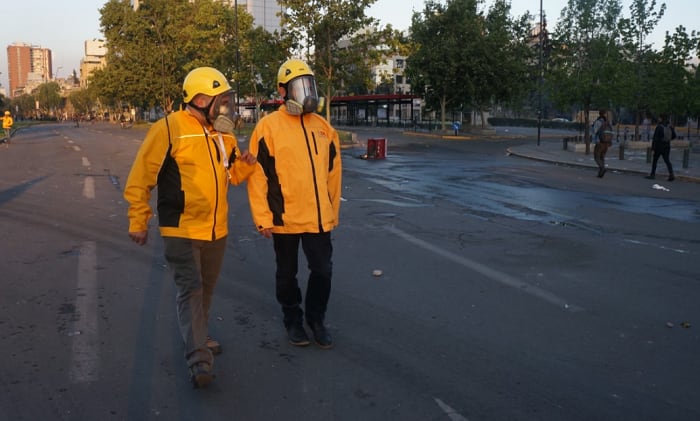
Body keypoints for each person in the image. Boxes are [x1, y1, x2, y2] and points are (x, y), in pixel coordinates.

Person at [124, 67, 257, 388]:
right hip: (180, 229)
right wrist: (138, 219)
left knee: (205, 290)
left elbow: (232, 176)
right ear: (200, 99)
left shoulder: (222, 134)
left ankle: (200, 335)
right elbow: (141, 177)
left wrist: (247, 165)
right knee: (191, 289)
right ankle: (199, 360)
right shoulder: (168, 129)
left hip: (216, 230)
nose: (227, 107)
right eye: (222, 101)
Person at [247, 59, 342, 349]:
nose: (306, 92)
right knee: (286, 275)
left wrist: (332, 212)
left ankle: (316, 318)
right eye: (299, 86)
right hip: (284, 217)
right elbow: (257, 175)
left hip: (318, 218)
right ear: (282, 90)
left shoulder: (324, 128)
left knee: (323, 271)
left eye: (309, 85)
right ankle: (292, 318)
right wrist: (263, 217)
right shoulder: (268, 127)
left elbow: (333, 173)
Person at [645, 113, 675, 181]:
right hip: (667, 146)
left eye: (659, 118)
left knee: (655, 160)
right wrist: (668, 139)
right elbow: (674, 136)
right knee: (667, 160)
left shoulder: (659, 127)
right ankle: (671, 174)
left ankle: (652, 174)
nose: (658, 119)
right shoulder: (669, 126)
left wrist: (653, 148)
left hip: (659, 146)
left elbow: (655, 138)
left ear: (661, 118)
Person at [592, 110, 613, 178]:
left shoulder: (598, 122)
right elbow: (611, 132)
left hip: (600, 142)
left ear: (599, 114)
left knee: (596, 157)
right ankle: (600, 173)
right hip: (606, 143)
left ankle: (602, 168)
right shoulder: (608, 122)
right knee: (602, 157)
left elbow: (595, 131)